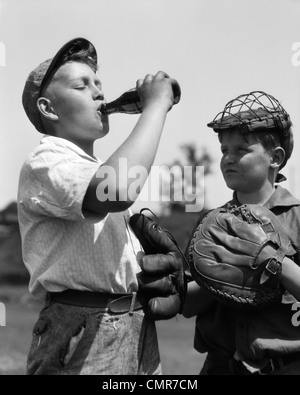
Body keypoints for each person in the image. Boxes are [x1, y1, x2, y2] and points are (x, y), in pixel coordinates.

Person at [18, 37, 179, 375]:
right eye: (82, 85)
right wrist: (155, 106)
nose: (98, 93)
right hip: (81, 328)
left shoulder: (99, 167)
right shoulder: (46, 160)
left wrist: (171, 282)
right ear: (49, 108)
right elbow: (116, 189)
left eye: (98, 84)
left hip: (135, 327)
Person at [182, 91, 300, 375]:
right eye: (224, 150)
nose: (228, 159)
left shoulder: (296, 218)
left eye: (242, 150)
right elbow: (186, 305)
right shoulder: (213, 223)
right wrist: (221, 274)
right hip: (220, 367)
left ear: (275, 157)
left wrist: (273, 263)